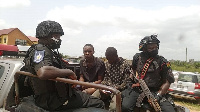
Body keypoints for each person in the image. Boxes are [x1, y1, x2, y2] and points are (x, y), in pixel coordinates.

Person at [21, 20, 105, 111]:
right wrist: (69, 72)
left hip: (57, 96)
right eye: (57, 36)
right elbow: (43, 72)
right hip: (56, 99)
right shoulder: (41, 50)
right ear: (47, 35)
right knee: (99, 103)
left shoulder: (45, 50)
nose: (59, 39)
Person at [122, 34, 175, 112]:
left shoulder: (162, 61)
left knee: (169, 110)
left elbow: (167, 82)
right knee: (126, 107)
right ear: (144, 48)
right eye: (151, 48)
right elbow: (133, 70)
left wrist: (158, 96)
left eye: (156, 47)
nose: (154, 49)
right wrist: (130, 81)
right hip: (138, 89)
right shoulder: (137, 58)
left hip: (155, 91)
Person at [93, 47, 130, 111]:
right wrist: (102, 87)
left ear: (116, 56)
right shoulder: (107, 64)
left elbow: (126, 82)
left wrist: (116, 88)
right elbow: (105, 78)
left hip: (118, 90)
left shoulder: (125, 64)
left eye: (110, 59)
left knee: (113, 108)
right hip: (107, 88)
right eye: (107, 59)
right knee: (92, 98)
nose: (109, 61)